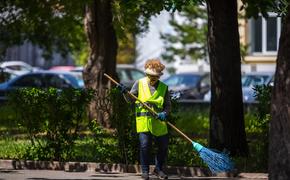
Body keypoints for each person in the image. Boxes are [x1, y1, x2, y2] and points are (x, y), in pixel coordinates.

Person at [117, 59, 171, 180]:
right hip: (144, 122)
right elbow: (130, 100)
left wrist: (164, 113)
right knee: (145, 145)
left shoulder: (164, 87)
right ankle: (145, 171)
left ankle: (158, 169)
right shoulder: (139, 83)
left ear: (159, 75)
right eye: (149, 75)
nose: (152, 77)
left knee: (163, 146)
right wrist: (125, 93)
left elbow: (168, 106)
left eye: (154, 76)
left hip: (159, 122)